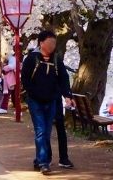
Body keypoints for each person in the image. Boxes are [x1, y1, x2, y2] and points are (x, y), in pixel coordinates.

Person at [21, 29, 74, 175]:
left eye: (54, 43)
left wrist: (67, 95)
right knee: (40, 130)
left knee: (47, 131)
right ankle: (44, 162)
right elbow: (25, 79)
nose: (52, 46)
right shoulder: (32, 59)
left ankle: (39, 159)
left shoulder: (56, 60)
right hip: (35, 101)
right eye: (50, 43)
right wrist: (33, 93)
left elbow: (63, 78)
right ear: (41, 43)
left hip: (51, 100)